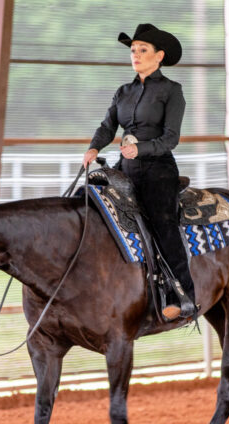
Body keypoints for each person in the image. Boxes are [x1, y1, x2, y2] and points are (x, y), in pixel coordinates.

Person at [82, 23, 196, 320]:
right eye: (133, 50)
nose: (136, 55)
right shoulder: (123, 92)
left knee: (162, 221)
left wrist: (141, 150)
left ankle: (182, 294)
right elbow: (108, 126)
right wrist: (94, 148)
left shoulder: (172, 91)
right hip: (125, 168)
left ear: (159, 56)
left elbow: (171, 138)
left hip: (158, 168)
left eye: (143, 50)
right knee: (87, 201)